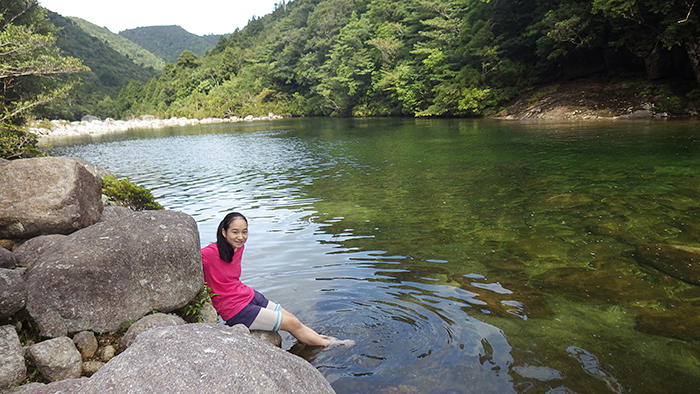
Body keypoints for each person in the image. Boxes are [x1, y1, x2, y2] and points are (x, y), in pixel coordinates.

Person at [201, 212, 353, 347]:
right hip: (235, 310)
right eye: (235, 232)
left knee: (292, 318)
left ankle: (315, 338)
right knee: (292, 324)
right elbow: (187, 262)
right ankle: (330, 345)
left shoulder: (237, 247)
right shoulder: (210, 253)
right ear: (224, 232)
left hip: (247, 295)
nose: (241, 237)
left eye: (244, 232)